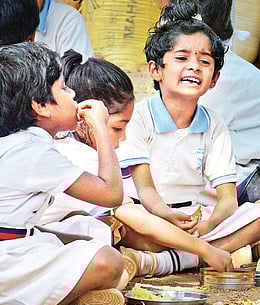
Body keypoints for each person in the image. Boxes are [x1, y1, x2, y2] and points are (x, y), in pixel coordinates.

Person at [39, 49, 233, 280]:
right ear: (87, 117)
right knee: (126, 230)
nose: (122, 139)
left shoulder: (73, 145)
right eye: (118, 128)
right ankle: (185, 259)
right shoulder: (78, 155)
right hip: (41, 243)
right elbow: (134, 218)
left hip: (63, 236)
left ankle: (166, 260)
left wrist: (169, 217)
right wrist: (204, 250)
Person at [116, 1, 260, 276]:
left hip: (197, 217)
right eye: (181, 58)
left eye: (204, 61)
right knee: (127, 222)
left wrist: (208, 225)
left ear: (214, 79)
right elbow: (145, 190)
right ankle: (205, 253)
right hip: (154, 213)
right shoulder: (140, 117)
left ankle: (167, 261)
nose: (194, 67)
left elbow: (228, 199)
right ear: (155, 70)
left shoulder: (215, 125)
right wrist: (166, 216)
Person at [0, 42, 126, 305]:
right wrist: (100, 129)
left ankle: (69, 290)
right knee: (109, 261)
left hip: (17, 239)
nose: (72, 95)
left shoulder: (20, 142)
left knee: (89, 230)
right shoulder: (32, 151)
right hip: (5, 259)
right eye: (64, 88)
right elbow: (112, 194)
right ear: (42, 106)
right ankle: (70, 298)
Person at [163, 0, 260, 182]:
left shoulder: (218, 77)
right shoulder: (217, 64)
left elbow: (188, 142)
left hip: (259, 173)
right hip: (252, 162)